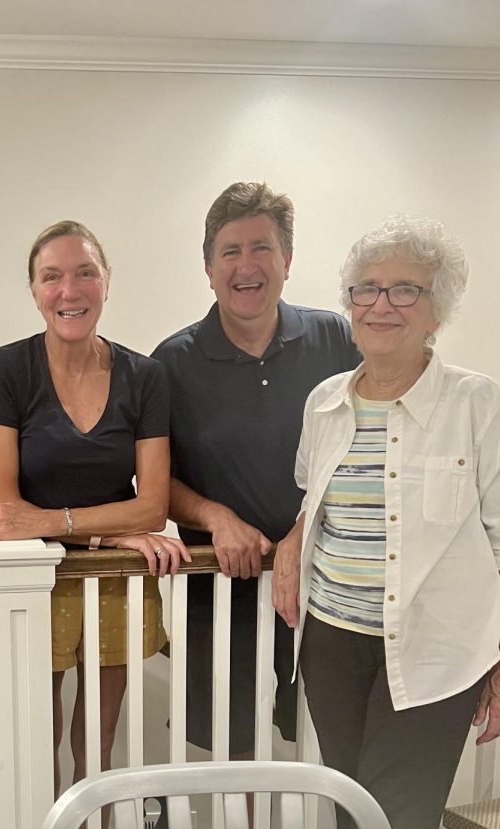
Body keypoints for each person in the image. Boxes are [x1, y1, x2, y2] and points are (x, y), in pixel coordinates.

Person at [272, 216, 500, 829]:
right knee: (349, 812)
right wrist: (294, 540)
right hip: (332, 642)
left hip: (437, 651)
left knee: (397, 827)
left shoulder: (478, 405)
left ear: (438, 311)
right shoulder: (323, 403)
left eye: (406, 290)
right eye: (366, 289)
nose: (382, 305)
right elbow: (313, 500)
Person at [0, 219, 188, 829]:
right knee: (33, 737)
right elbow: (4, 508)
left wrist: (59, 524)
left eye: (85, 272)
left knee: (95, 739)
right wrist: (108, 528)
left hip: (114, 579)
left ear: (107, 283)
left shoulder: (145, 377)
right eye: (52, 275)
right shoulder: (5, 371)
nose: (70, 288)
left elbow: (152, 502)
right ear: (34, 290)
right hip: (31, 584)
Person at [153, 182, 360, 757]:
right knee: (231, 753)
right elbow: (152, 480)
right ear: (208, 268)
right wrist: (216, 517)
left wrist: (299, 535)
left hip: (326, 588)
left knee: (328, 744)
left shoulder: (337, 340)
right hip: (219, 593)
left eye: (262, 248)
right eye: (231, 251)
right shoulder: (171, 362)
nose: (247, 266)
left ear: (287, 261)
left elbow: (371, 450)